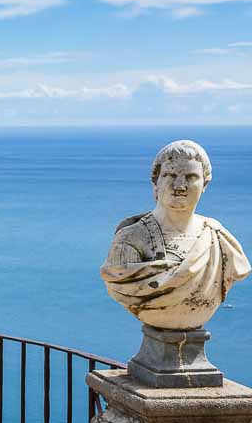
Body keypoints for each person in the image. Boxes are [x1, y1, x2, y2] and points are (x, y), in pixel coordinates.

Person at [101, 139, 249, 330]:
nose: (180, 186)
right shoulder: (129, 240)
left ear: (205, 184)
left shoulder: (219, 239)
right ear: (156, 182)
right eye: (170, 175)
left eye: (191, 177)